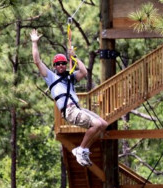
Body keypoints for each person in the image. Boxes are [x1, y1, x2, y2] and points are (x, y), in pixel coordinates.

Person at [30, 29, 108, 167]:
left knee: (103, 124)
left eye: (63, 63)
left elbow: (84, 71)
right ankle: (81, 149)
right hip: (69, 111)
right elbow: (37, 61)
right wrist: (34, 42)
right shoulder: (51, 77)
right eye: (58, 64)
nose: (61, 66)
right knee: (96, 125)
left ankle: (83, 149)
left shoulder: (70, 78)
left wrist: (74, 57)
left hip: (78, 108)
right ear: (54, 66)